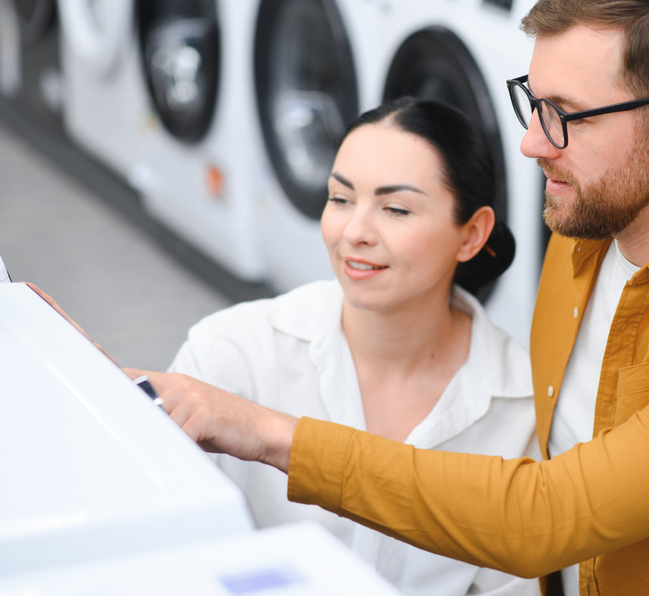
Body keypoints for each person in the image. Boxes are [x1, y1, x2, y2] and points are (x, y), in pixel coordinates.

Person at [135, 0, 649, 594]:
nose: (530, 142)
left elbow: (547, 517)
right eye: (533, 99)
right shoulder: (584, 236)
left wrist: (266, 430)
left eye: (568, 117)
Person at [58, 97, 540, 596]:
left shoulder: (521, 406)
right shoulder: (231, 354)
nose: (354, 233)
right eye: (340, 199)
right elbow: (161, 556)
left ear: (472, 234)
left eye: (395, 209)